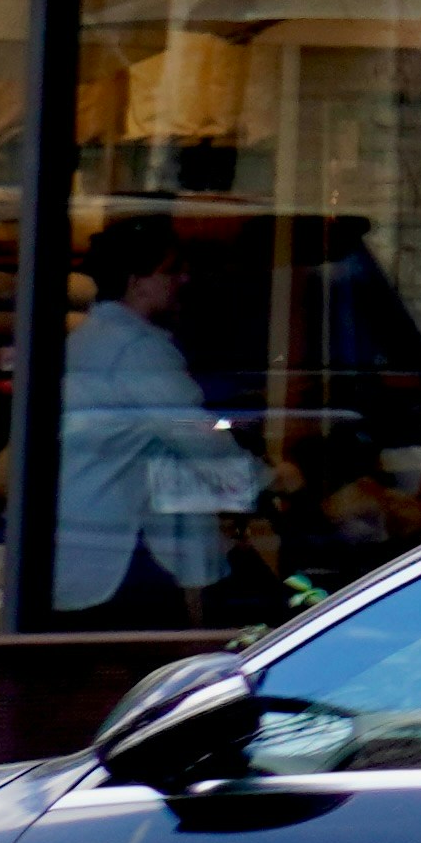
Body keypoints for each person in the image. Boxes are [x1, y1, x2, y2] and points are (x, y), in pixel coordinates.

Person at [53, 218, 260, 626]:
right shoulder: (135, 351)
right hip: (113, 556)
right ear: (137, 282)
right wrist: (266, 482)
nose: (184, 279)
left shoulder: (93, 337)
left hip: (90, 541)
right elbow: (198, 439)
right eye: (171, 270)